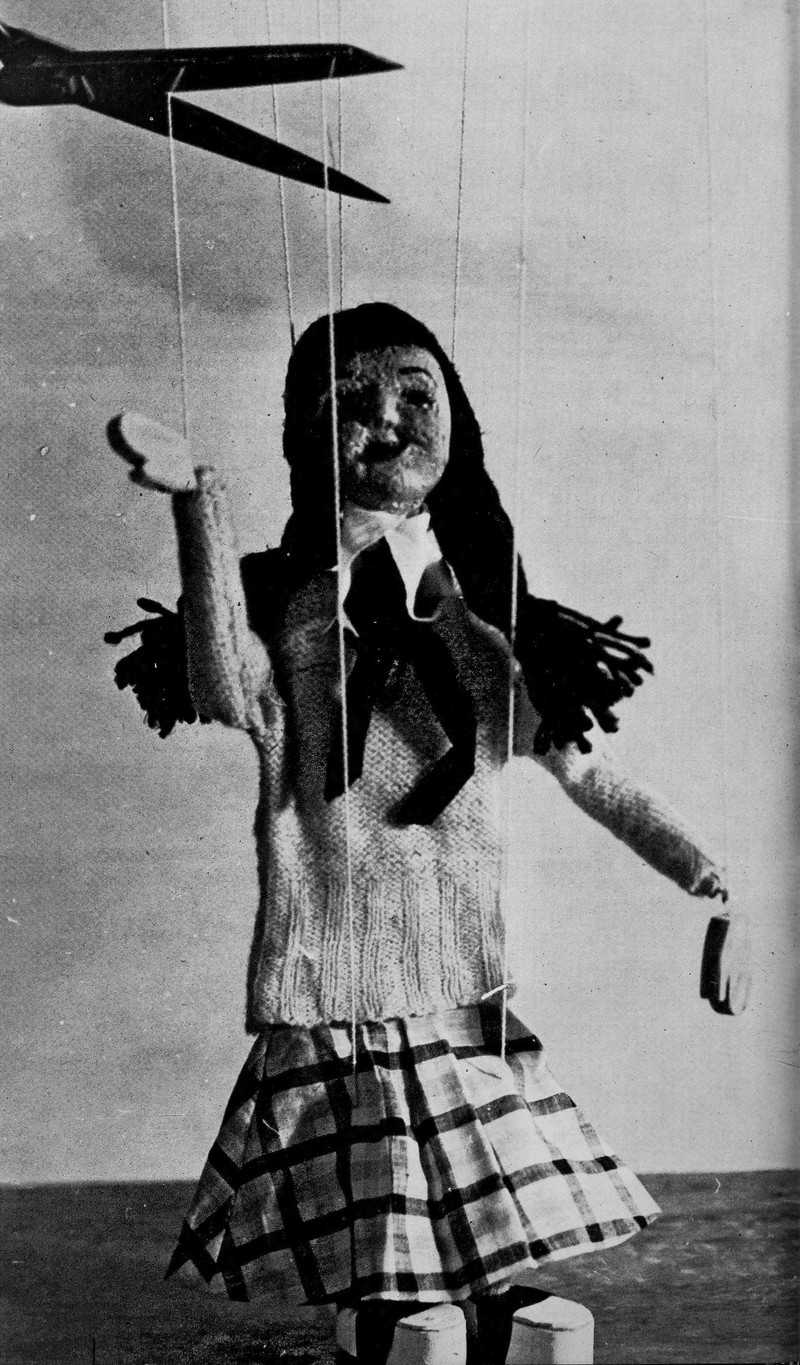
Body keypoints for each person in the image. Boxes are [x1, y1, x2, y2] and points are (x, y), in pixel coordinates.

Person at [107, 302, 735, 1365]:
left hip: (457, 973)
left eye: (415, 392)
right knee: (383, 1203)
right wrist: (199, 509)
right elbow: (222, 685)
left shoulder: (487, 625)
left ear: (459, 420)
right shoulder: (299, 614)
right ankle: (388, 1314)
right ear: (310, 439)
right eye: (351, 401)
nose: (388, 419)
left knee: (467, 1184)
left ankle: (472, 1304)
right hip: (334, 973)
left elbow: (586, 768)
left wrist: (710, 879)